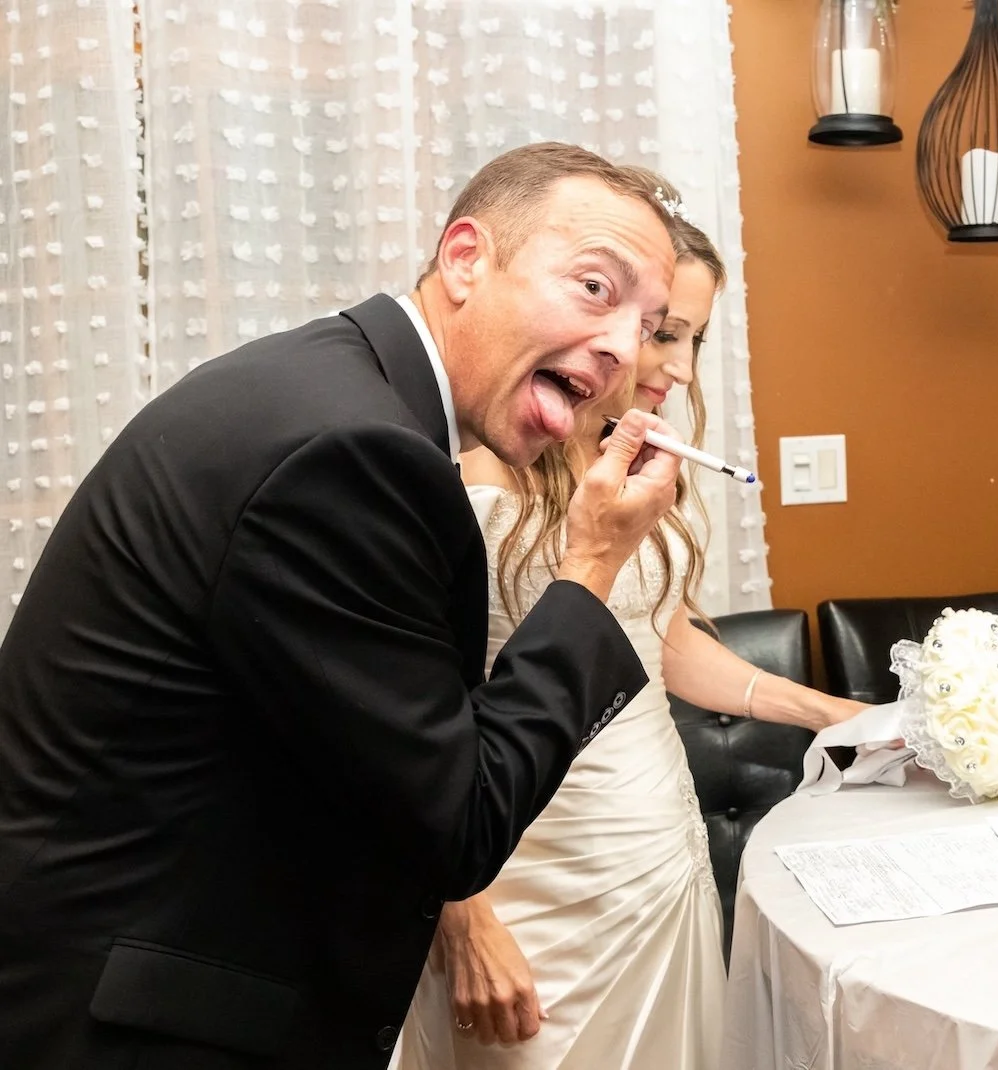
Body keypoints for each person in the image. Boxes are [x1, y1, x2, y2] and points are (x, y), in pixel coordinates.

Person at [0, 143, 686, 1070]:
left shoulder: (334, 387)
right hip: (150, 1020)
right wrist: (591, 566)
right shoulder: (353, 451)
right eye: (597, 288)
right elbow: (458, 823)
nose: (622, 352)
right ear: (466, 258)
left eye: (649, 325)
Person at [396, 177, 865, 1070]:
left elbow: (658, 640)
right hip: (531, 881)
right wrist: (462, 916)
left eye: (689, 337)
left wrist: (829, 714)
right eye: (666, 334)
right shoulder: (475, 475)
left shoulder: (622, 460)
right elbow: (406, 730)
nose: (679, 369)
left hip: (655, 857)